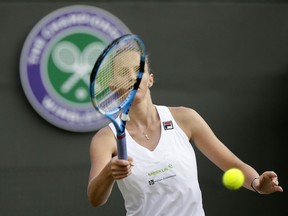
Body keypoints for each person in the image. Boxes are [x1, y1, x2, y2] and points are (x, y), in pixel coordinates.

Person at [87, 53, 283, 216]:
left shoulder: (185, 118)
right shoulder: (104, 139)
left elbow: (233, 164)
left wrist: (257, 184)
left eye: (138, 71)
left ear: (150, 79)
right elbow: (95, 199)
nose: (132, 77)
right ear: (112, 85)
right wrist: (109, 173)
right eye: (123, 72)